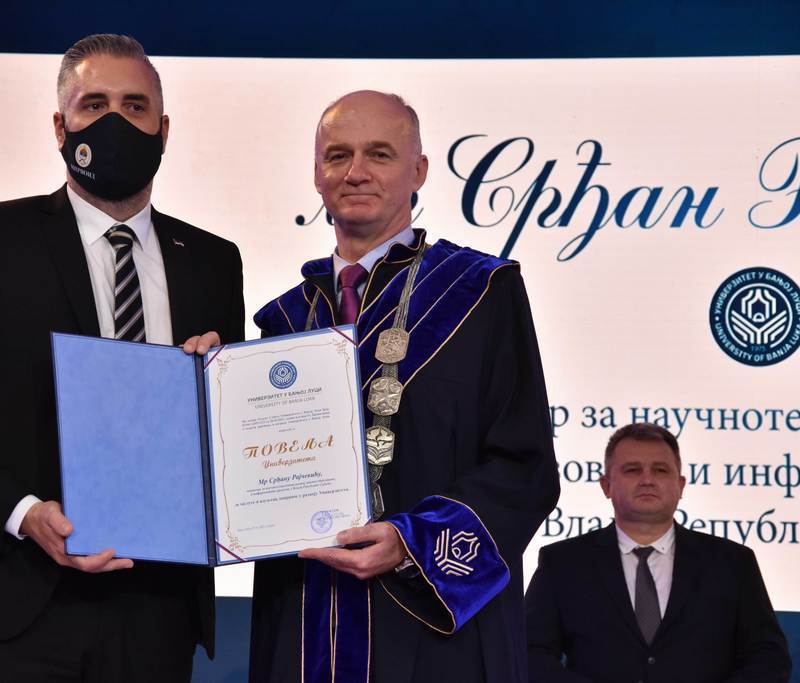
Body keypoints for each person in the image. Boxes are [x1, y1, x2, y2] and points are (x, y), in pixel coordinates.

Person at [0, 33, 244, 682]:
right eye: (94, 104)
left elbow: (222, 443)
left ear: (164, 130)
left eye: (135, 106)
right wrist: (26, 515)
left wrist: (223, 388)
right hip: (9, 605)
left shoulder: (213, 262)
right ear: (60, 126)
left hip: (155, 611)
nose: (116, 122)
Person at [248, 89, 559, 682]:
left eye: (379, 154)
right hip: (306, 619)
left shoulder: (480, 293)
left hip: (433, 633)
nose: (356, 171)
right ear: (316, 174)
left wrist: (412, 542)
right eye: (338, 155)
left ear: (418, 171)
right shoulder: (284, 322)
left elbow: (525, 468)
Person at [525, 423, 792, 682]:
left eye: (660, 470)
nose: (647, 480)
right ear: (606, 485)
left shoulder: (733, 563)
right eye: (632, 470)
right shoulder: (562, 563)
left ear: (681, 485)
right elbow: (529, 653)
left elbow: (768, 657)